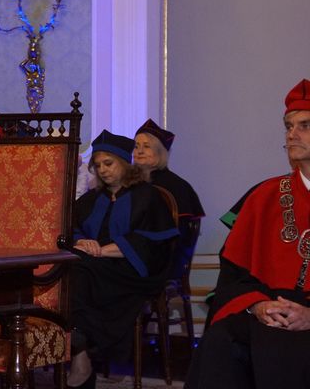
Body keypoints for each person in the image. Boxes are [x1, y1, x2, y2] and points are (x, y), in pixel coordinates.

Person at [186, 79, 310, 389]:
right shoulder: (263, 196)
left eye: (305, 125)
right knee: (221, 339)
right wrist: (258, 305)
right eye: (288, 126)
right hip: (270, 305)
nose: (292, 134)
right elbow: (234, 276)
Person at [67, 130, 179, 389]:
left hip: (133, 272)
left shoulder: (147, 196)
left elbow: (153, 244)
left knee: (80, 271)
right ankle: (81, 353)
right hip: (94, 265)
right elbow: (71, 229)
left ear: (124, 163)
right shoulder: (91, 199)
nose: (103, 170)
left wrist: (101, 251)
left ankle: (83, 355)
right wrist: (82, 242)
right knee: (72, 271)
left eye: (108, 163)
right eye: (98, 165)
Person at [133, 118, 205, 277]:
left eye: (146, 146)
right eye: (136, 146)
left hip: (160, 257)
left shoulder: (177, 186)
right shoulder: (127, 183)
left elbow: (180, 237)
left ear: (160, 152)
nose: (139, 151)